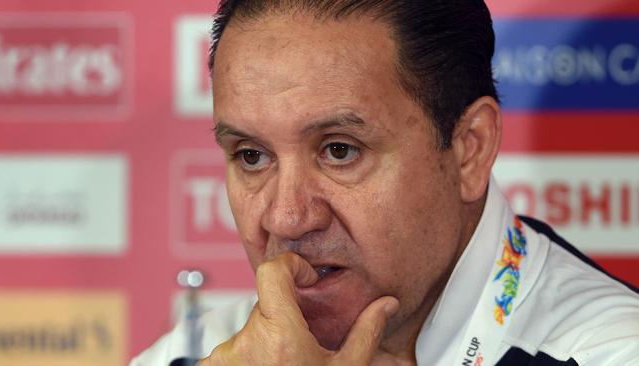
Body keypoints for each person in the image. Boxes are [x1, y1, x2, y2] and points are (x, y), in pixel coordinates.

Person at [132, 1, 639, 365]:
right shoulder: (192, 354)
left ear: (470, 149)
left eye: (339, 150)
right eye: (252, 155)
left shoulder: (610, 351)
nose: (285, 217)